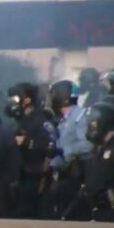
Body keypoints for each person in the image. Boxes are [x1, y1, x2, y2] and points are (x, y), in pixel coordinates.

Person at [6, 82, 58, 219]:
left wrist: (27, 142)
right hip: (20, 175)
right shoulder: (20, 120)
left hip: (36, 175)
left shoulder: (41, 120)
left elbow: (52, 145)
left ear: (27, 100)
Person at [46, 80, 92, 220]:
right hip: (65, 171)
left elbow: (88, 144)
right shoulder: (64, 119)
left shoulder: (79, 116)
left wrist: (64, 151)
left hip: (79, 172)